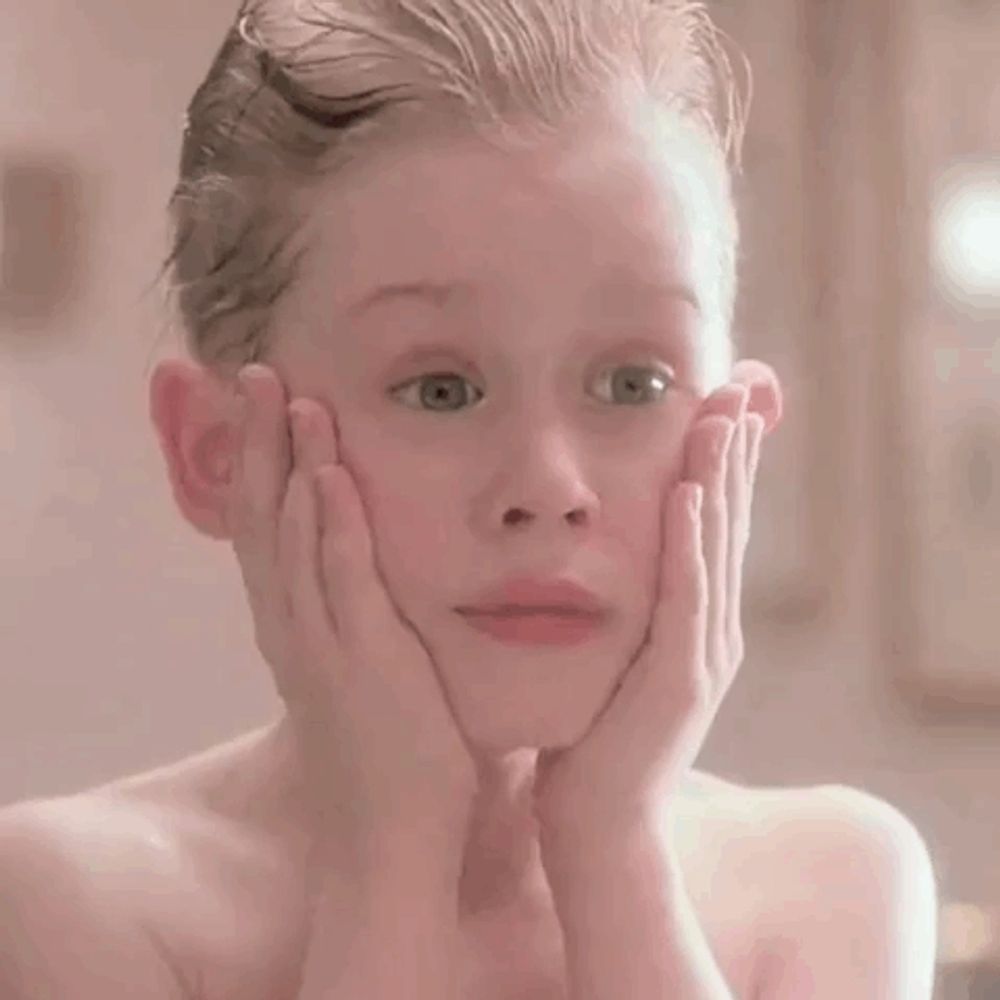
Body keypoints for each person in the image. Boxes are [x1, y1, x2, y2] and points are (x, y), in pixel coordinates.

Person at [0, 1, 938, 997]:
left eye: (632, 384)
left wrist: (612, 852)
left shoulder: (835, 883)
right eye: (440, 388)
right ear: (217, 451)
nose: (546, 488)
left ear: (738, 436)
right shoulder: (81, 900)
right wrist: (393, 859)